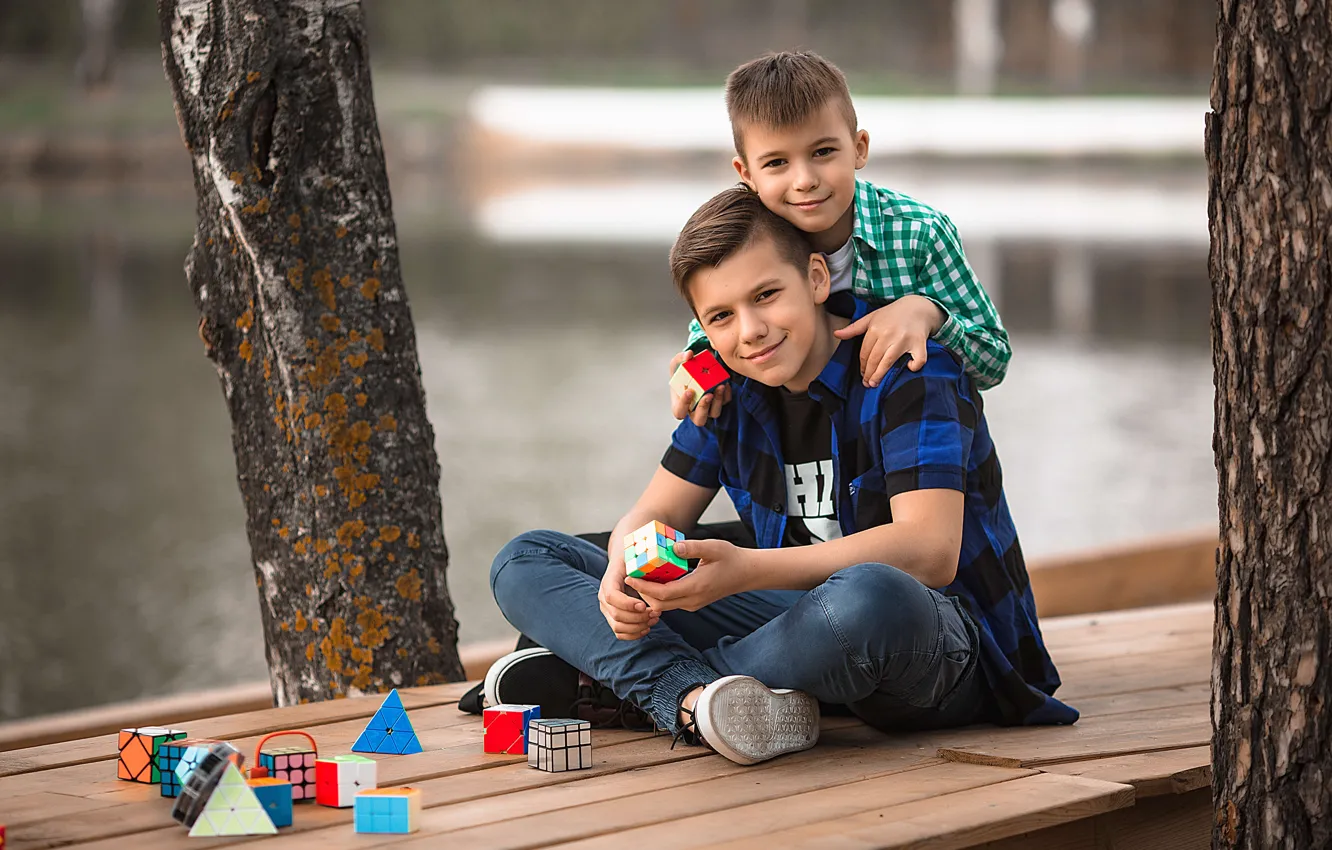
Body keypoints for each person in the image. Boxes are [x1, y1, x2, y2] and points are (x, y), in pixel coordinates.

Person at [486, 188, 1076, 767]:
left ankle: (627, 683)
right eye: (721, 316)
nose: (750, 331)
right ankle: (689, 697)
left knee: (870, 597)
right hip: (790, 623)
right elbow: (652, 516)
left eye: (766, 295)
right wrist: (622, 570)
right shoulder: (727, 392)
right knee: (528, 557)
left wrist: (745, 571)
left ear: (816, 278)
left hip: (938, 644)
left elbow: (930, 552)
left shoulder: (907, 367)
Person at [673, 50, 1009, 428]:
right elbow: (712, 326)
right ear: (747, 173)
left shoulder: (919, 233)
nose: (804, 180)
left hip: (911, 427)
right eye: (776, 163)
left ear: (859, 148)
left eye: (823, 152)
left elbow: (993, 361)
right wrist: (695, 375)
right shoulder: (753, 241)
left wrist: (927, 313)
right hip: (810, 437)